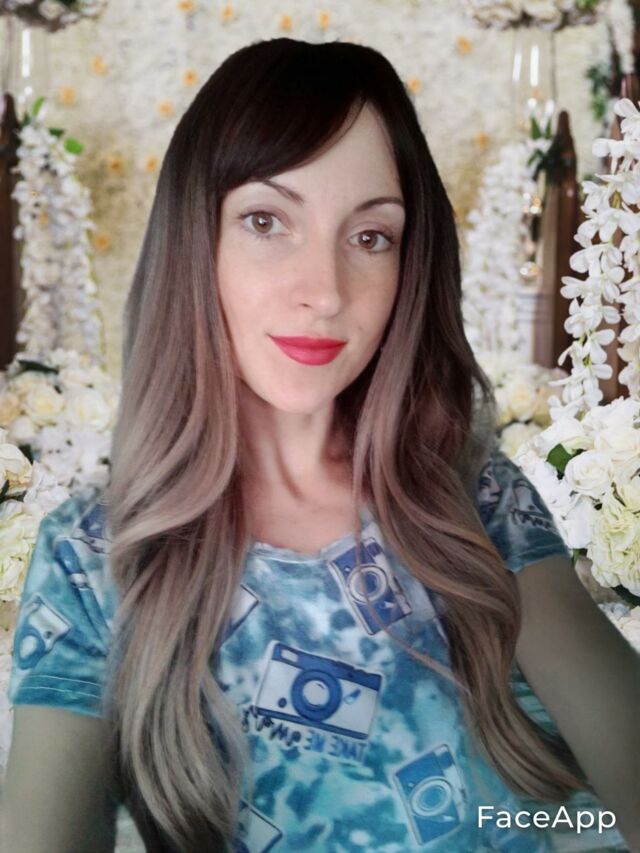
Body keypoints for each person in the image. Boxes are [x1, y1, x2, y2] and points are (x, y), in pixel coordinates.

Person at [2, 37, 639, 853]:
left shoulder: (475, 495)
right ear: (196, 243)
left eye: (371, 237)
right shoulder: (92, 556)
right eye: (266, 220)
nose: (326, 292)